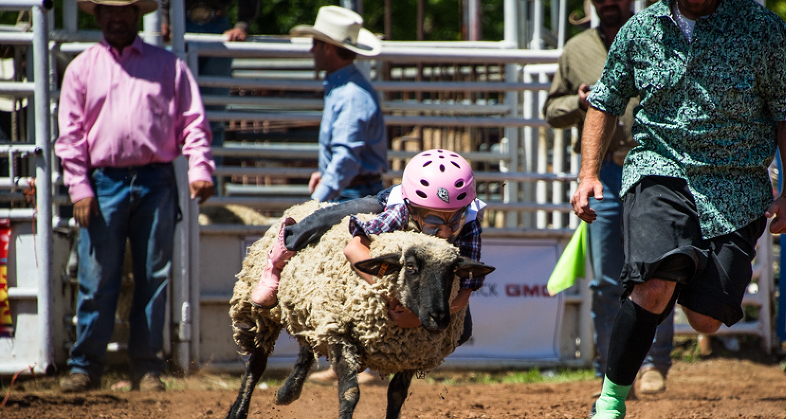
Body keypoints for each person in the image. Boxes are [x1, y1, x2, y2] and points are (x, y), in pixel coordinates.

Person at [573, 0, 786, 419]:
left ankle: (682, 267)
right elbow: (604, 101)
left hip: (736, 185)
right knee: (653, 286)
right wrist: (588, 173)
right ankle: (610, 400)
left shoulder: (764, 30)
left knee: (706, 320)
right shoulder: (640, 29)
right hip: (658, 169)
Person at [56, 0, 216, 393]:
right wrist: (79, 185)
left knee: (153, 275)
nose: (116, 16)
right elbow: (70, 133)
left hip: (154, 178)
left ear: (136, 15)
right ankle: (86, 365)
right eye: (109, 10)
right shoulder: (82, 68)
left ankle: (145, 367)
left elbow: (193, 121)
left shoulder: (169, 67)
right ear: (97, 15)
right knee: (97, 276)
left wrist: (200, 169)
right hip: (104, 179)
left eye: (124, 9)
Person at [543, 0, 674, 395]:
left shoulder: (658, 37)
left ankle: (652, 363)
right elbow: (551, 109)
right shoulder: (577, 49)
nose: (608, 3)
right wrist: (579, 102)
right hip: (602, 173)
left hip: (652, 168)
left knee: (657, 270)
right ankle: (611, 368)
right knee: (604, 279)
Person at [250, 149, 484, 349]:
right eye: (434, 224)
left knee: (462, 332)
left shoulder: (470, 223)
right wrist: (392, 296)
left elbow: (467, 288)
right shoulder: (399, 211)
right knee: (338, 212)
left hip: (430, 271)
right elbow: (354, 249)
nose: (444, 232)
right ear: (413, 212)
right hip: (384, 203)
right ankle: (279, 257)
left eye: (453, 222)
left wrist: (418, 318)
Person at [289, 6, 388, 204]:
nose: (312, 49)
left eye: (315, 43)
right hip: (353, 189)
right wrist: (326, 175)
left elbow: (346, 159)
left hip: (352, 194)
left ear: (328, 47)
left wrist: (317, 199)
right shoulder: (346, 89)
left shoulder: (350, 95)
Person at [159, 0, 260, 146]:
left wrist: (242, 25)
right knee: (170, 111)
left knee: (212, 114)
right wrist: (162, 19)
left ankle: (208, 167)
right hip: (178, 25)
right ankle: (178, 166)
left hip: (216, 26)